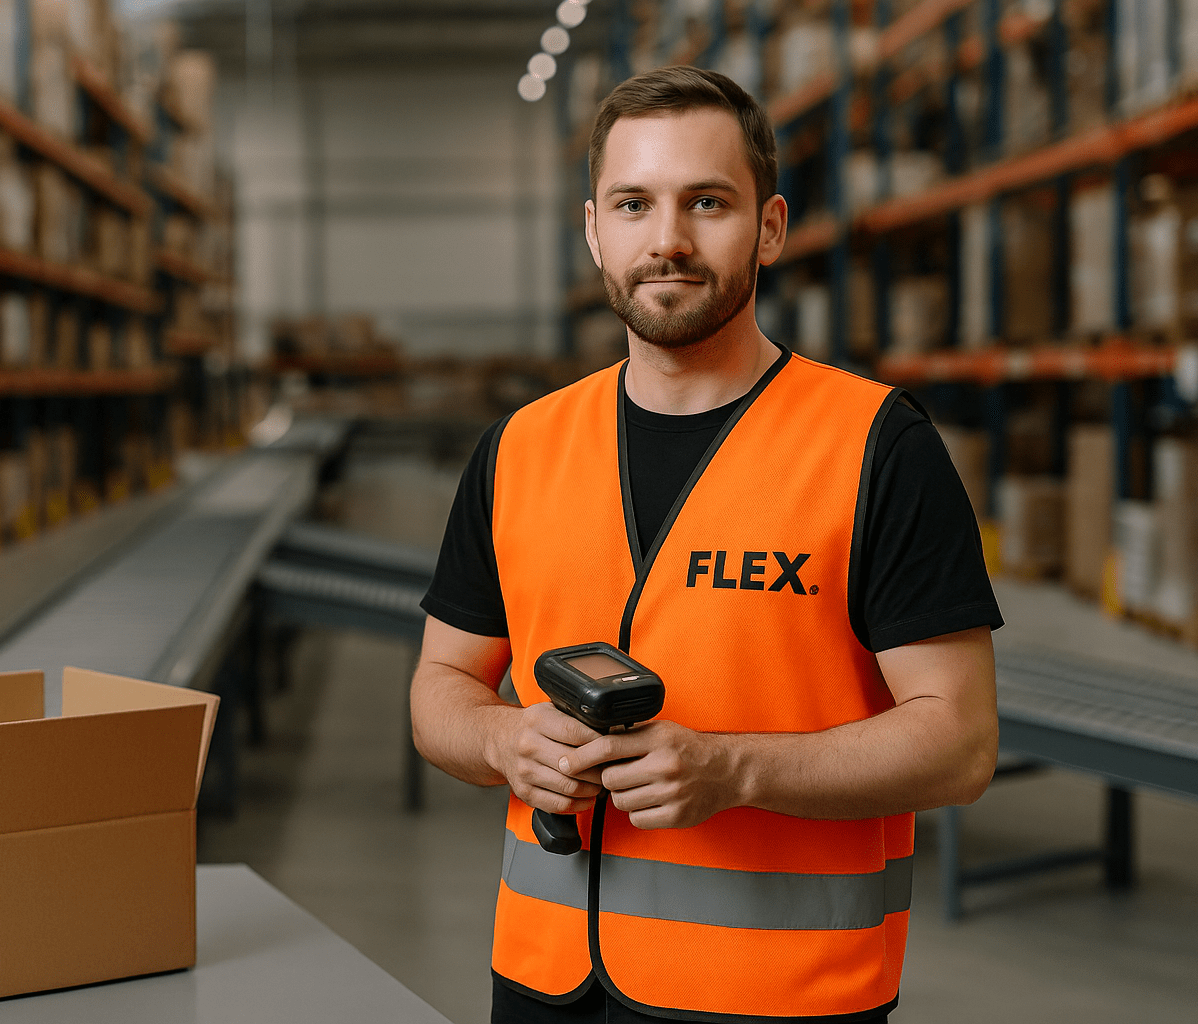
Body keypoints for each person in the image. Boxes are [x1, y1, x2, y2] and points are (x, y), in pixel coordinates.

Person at [410, 65, 1002, 1024]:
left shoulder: (874, 447)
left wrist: (738, 769)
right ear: (595, 228)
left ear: (769, 227)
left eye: (708, 202)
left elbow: (961, 742)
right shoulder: (520, 448)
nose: (668, 240)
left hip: (779, 1000)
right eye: (633, 204)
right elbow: (440, 688)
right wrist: (502, 739)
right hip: (542, 983)